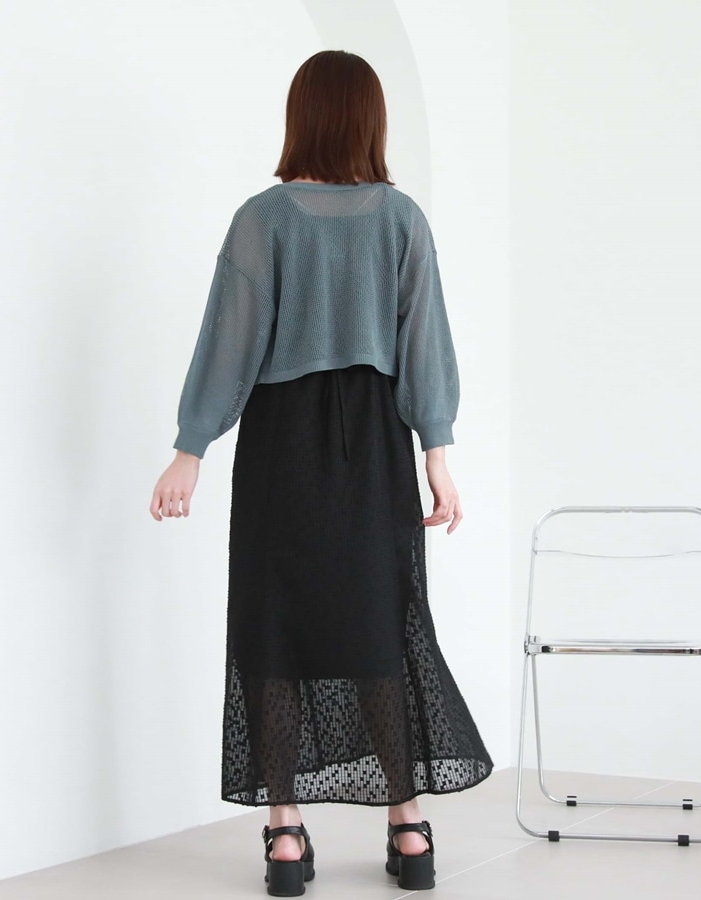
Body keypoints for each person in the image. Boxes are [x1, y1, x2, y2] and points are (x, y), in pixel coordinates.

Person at [149, 49, 493, 896]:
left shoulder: (261, 220)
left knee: (274, 628)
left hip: (281, 448)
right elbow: (424, 345)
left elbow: (229, 344)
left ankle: (284, 834)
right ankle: (408, 827)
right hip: (373, 448)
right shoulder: (402, 219)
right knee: (381, 623)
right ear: (371, 121)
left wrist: (191, 448)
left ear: (300, 117)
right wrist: (437, 455)